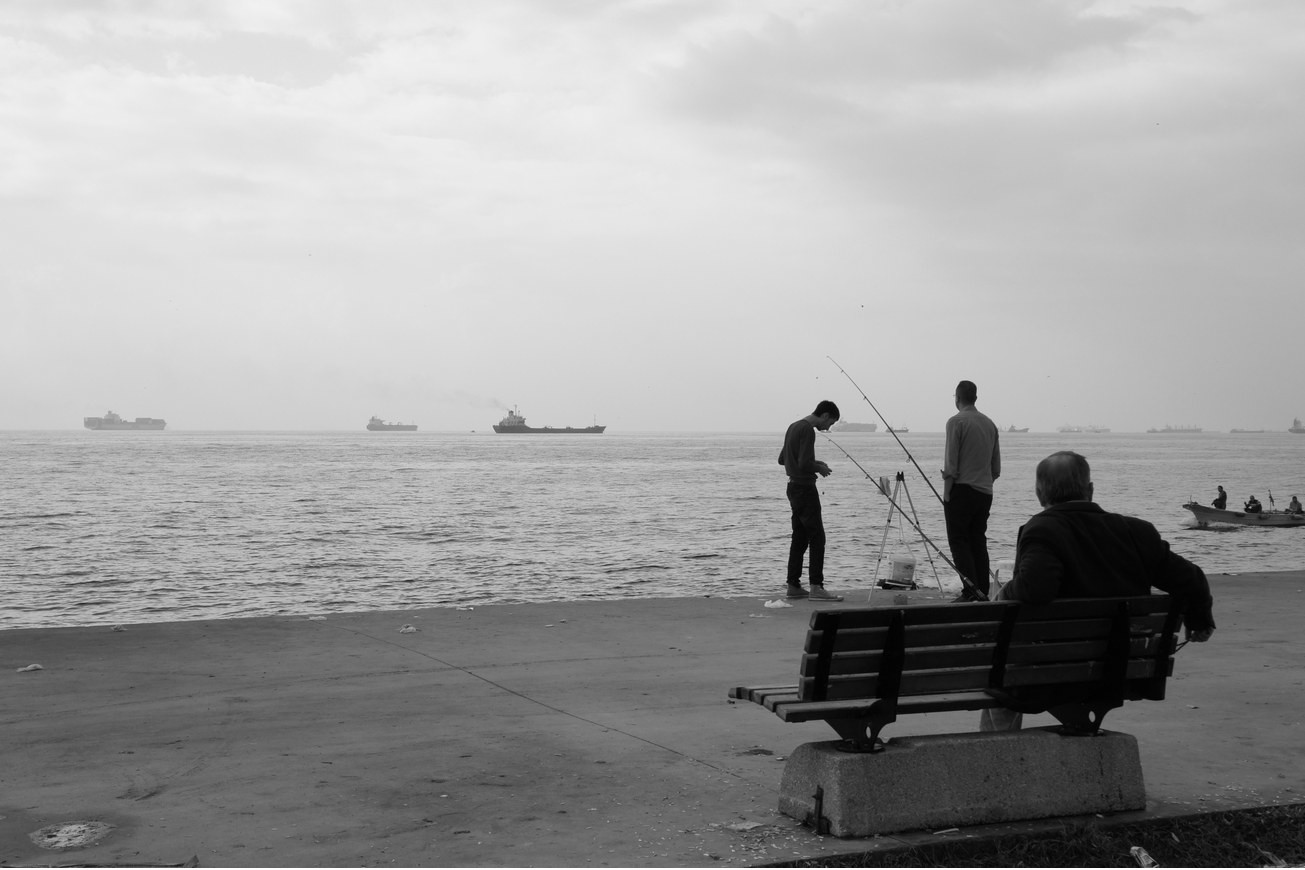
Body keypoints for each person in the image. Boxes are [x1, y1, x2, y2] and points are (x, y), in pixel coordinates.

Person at [980, 451, 1215, 731]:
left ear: (1039, 493)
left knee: (998, 669)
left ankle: (999, 753)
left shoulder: (1042, 530)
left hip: (1050, 674)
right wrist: (1199, 621)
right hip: (1120, 669)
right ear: (1090, 490)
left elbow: (1035, 590)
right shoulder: (1137, 532)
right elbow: (1191, 578)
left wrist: (1004, 591)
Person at [778, 401, 844, 601]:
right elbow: (804, 463)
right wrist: (819, 468)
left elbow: (782, 459)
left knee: (799, 537)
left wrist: (815, 463)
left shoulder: (793, 426)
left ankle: (793, 585)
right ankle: (816, 587)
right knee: (817, 537)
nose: (829, 428)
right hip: (805, 489)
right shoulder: (808, 430)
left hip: (792, 488)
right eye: (831, 423)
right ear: (825, 415)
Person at [942, 380, 1000, 601]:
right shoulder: (990, 424)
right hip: (985, 492)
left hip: (961, 490)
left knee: (958, 541)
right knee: (978, 540)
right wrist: (985, 483)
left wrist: (947, 493)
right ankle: (982, 590)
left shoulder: (956, 422)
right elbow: (996, 468)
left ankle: (970, 591)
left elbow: (951, 465)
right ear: (975, 398)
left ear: (957, 398)